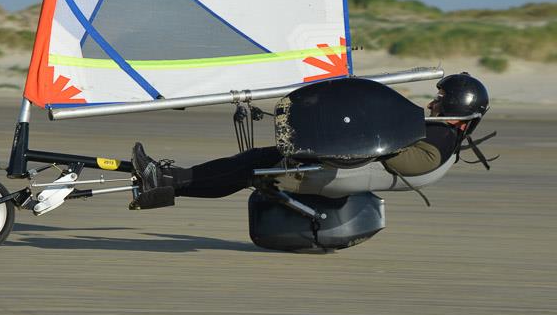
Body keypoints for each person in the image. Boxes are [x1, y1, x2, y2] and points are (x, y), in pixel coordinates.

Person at [129, 73, 489, 210]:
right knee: (251, 162)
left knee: (249, 169)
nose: (432, 103)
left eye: (440, 100)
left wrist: (376, 130)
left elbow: (405, 161)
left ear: (456, 108)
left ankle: (166, 183)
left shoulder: (441, 136)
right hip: (336, 162)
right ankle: (171, 180)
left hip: (329, 173)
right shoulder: (441, 130)